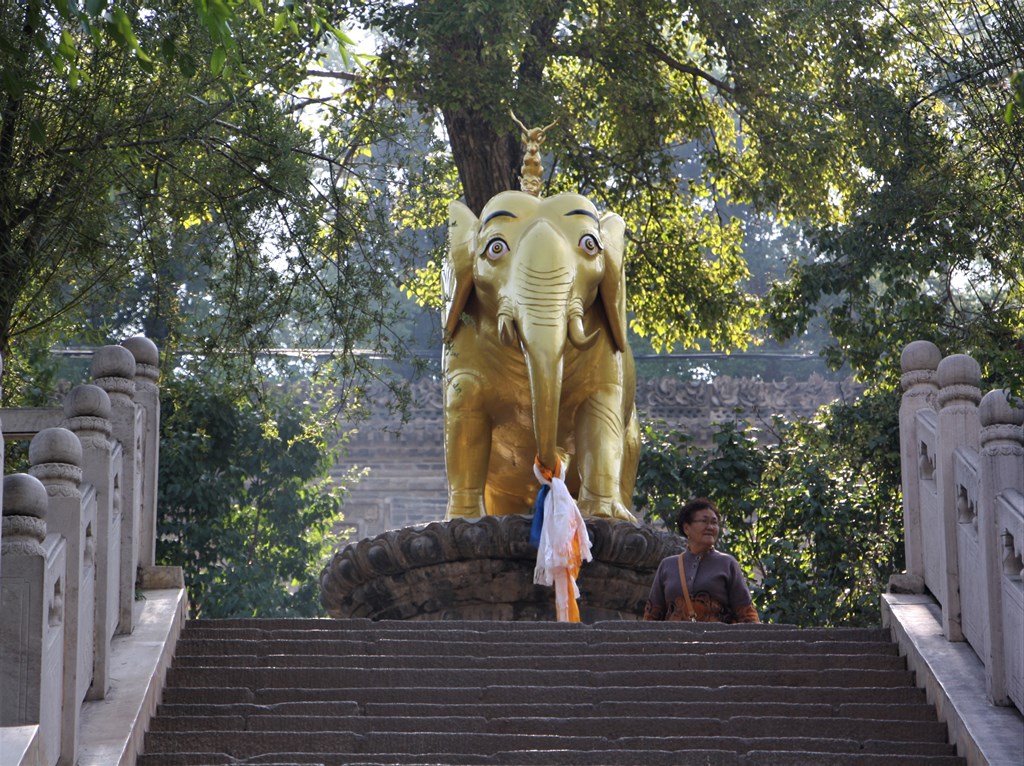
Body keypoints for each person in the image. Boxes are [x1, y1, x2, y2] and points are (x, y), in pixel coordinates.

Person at [644, 497, 760, 623]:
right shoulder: (668, 565)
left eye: (714, 523)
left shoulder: (727, 563)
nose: (710, 527)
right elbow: (652, 616)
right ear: (686, 528)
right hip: (676, 640)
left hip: (718, 640)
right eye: (704, 521)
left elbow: (747, 614)